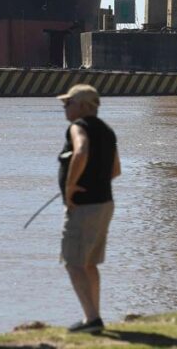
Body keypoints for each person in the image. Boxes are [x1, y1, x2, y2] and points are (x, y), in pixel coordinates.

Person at [55, 84, 120, 334]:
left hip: (83, 206)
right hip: (104, 203)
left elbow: (80, 151)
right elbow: (115, 169)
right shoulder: (107, 131)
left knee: (73, 263)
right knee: (90, 263)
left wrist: (71, 186)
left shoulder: (78, 127)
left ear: (82, 105)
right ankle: (93, 316)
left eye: (68, 103)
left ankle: (92, 320)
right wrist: (95, 179)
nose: (65, 108)